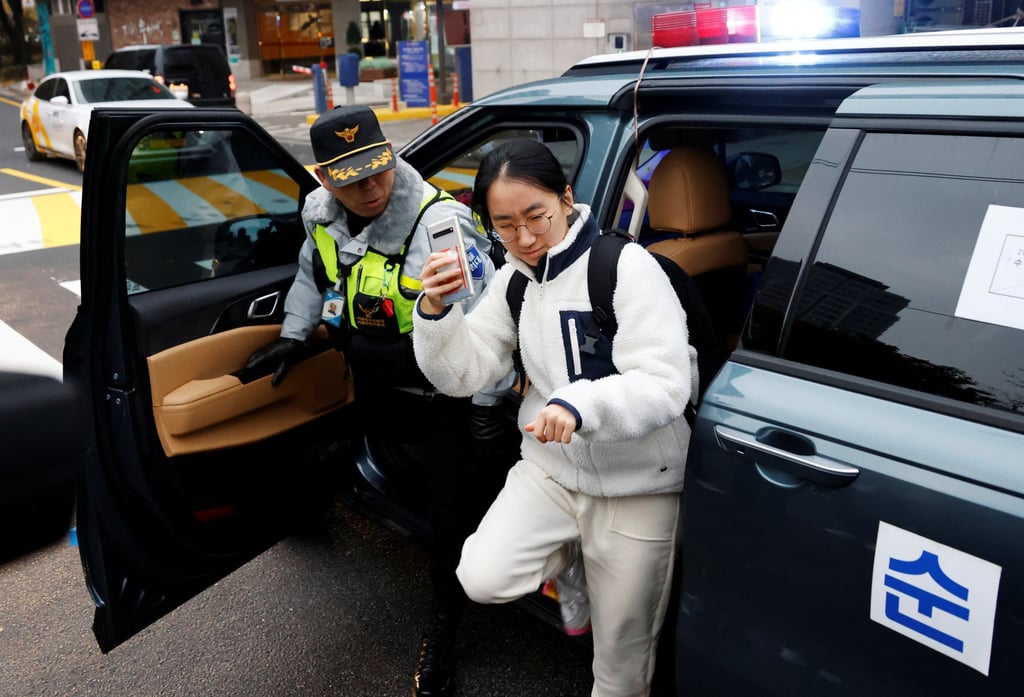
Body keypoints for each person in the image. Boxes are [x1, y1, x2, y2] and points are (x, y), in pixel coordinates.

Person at [244, 105, 518, 697]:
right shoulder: (320, 213)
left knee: (450, 519)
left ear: (390, 156)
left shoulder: (440, 224)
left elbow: (488, 320)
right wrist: (294, 336)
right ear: (324, 179)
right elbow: (309, 278)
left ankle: (443, 629)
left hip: (445, 395)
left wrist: (489, 407)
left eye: (378, 170)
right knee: (400, 481)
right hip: (376, 385)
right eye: (352, 178)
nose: (371, 188)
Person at [412, 137, 697, 697]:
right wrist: (434, 312)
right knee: (480, 577)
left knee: (620, 666)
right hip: (551, 471)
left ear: (566, 197)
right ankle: (576, 565)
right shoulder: (514, 278)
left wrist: (578, 403)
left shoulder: (626, 267)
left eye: (536, 217)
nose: (524, 239)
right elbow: (463, 375)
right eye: (504, 225)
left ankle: (588, 565)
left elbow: (666, 383)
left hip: (639, 483)